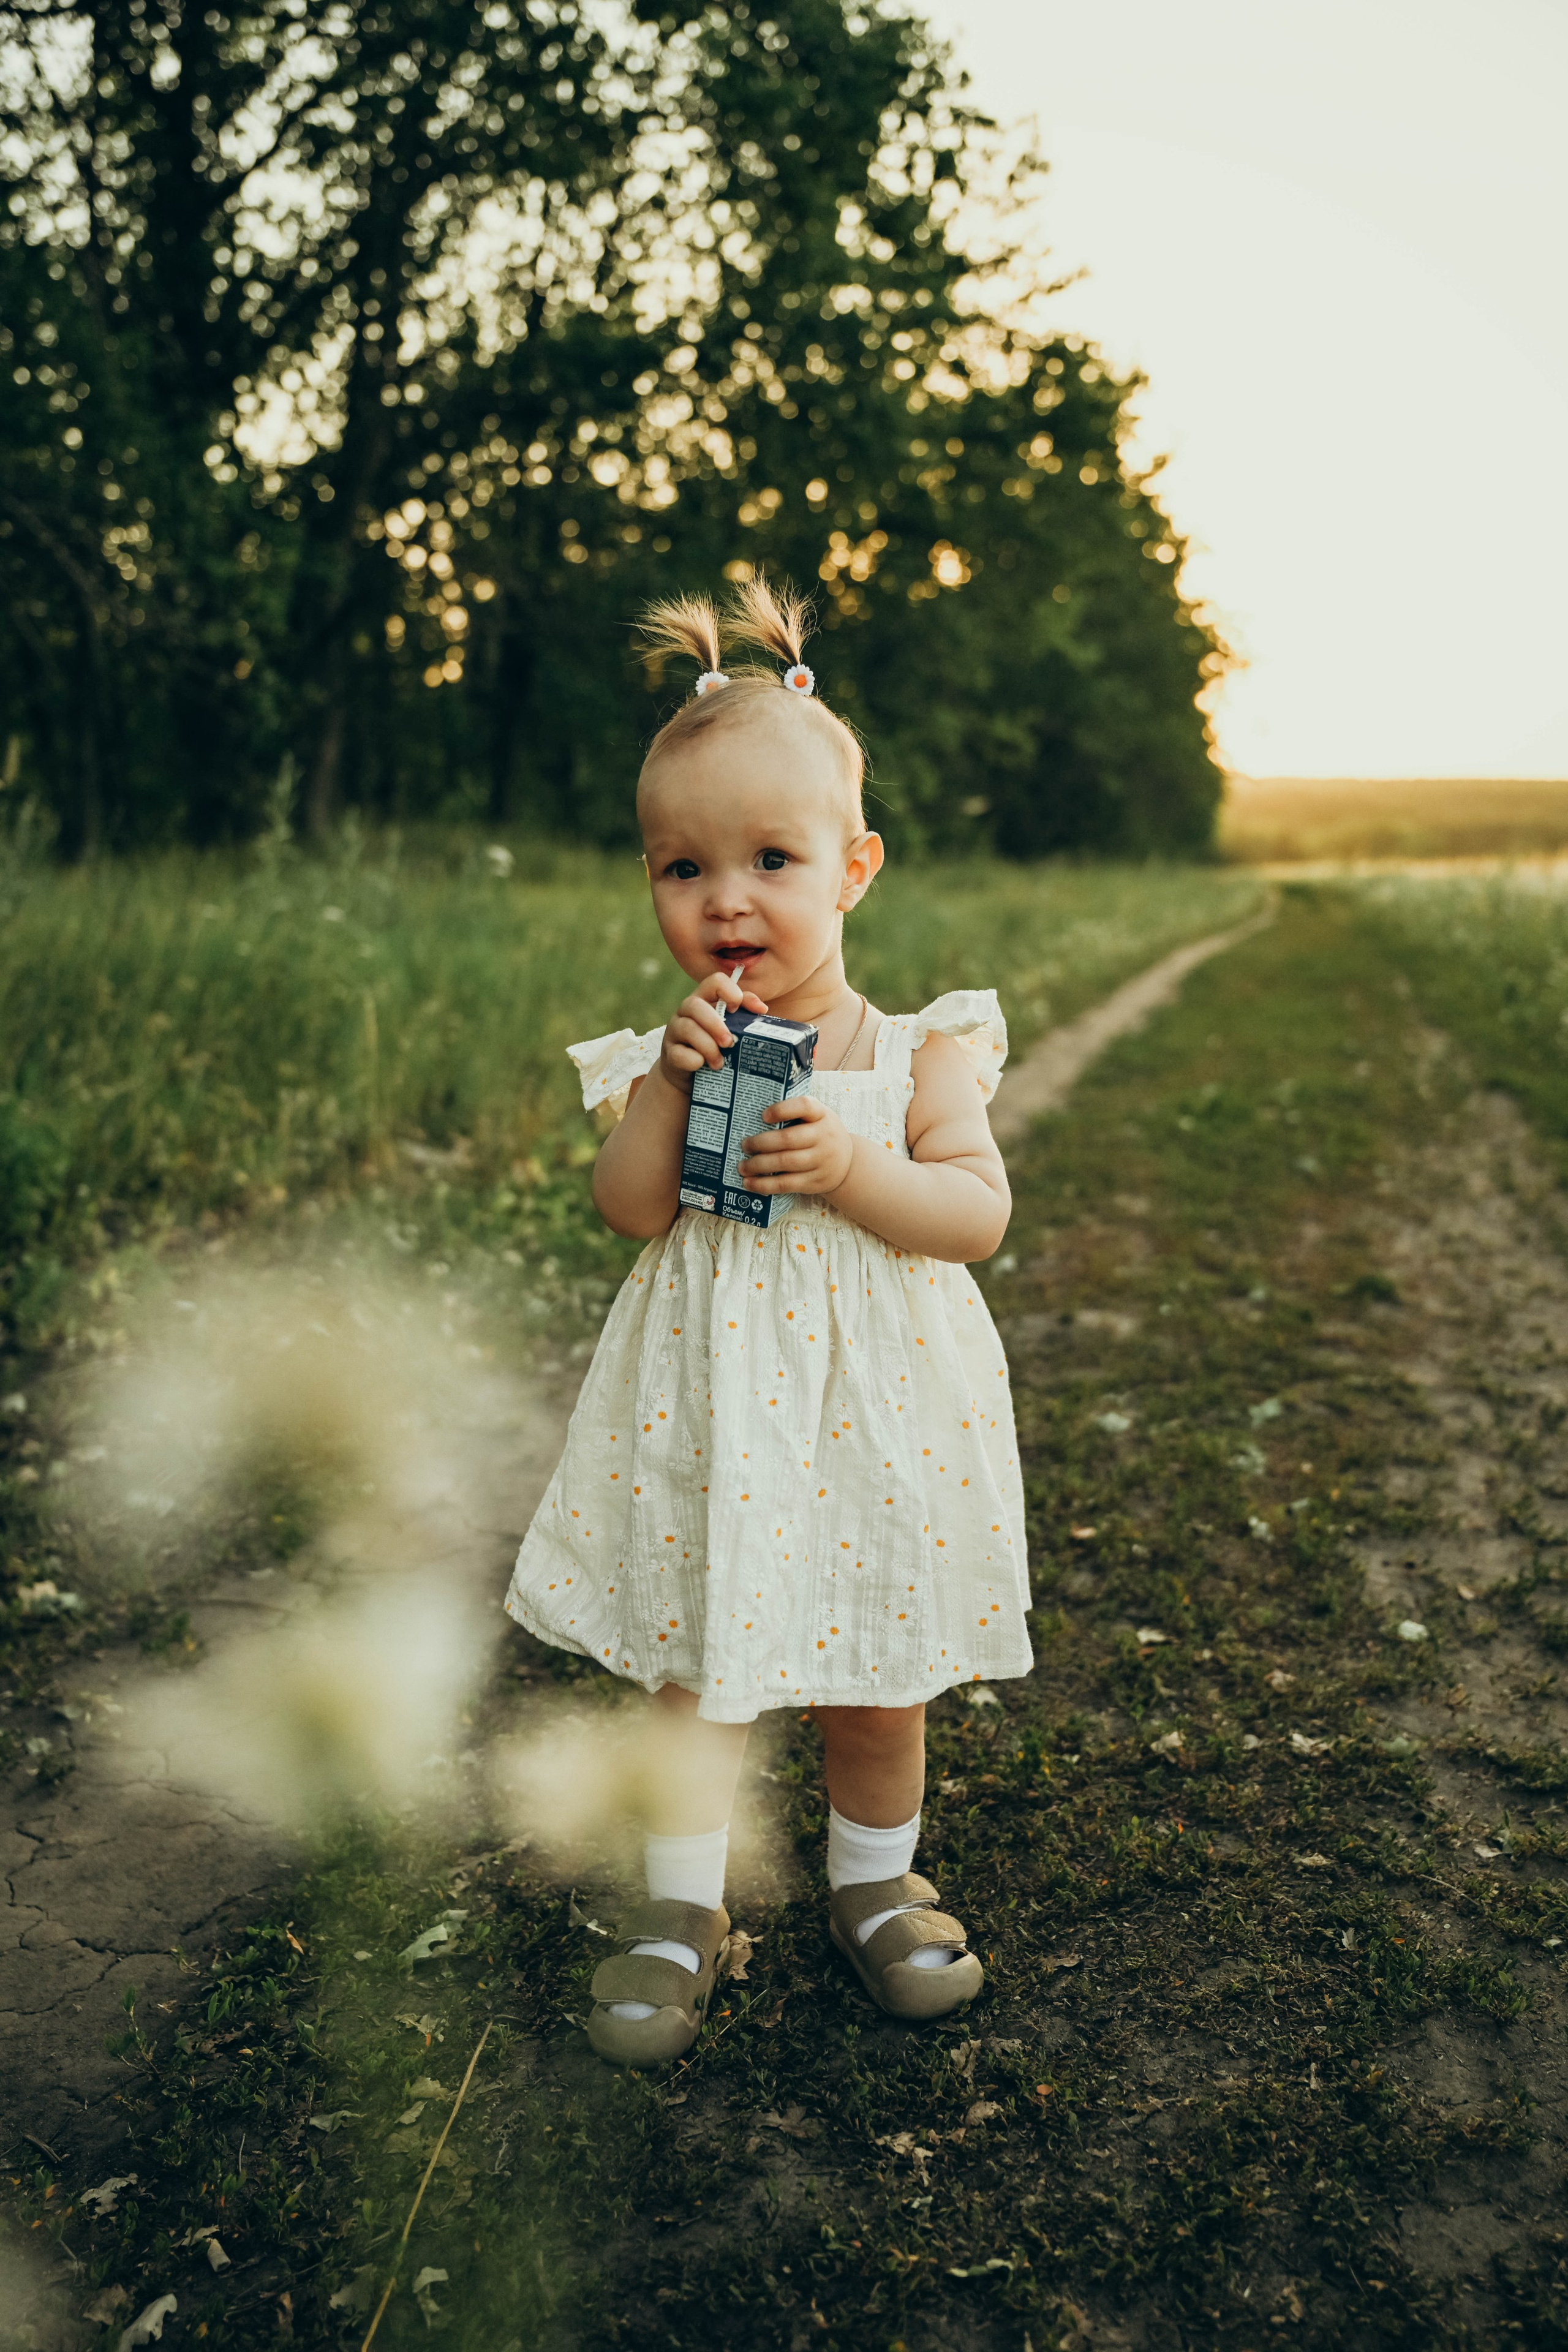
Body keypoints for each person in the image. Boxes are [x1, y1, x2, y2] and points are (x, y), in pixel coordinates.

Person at [505, 574, 1032, 2064]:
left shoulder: (921, 1052)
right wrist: (669, 1091)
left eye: (770, 859)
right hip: (718, 1412)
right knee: (698, 1673)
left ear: (854, 869)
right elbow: (628, 1209)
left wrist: (862, 1170)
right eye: (680, 868)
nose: (723, 900)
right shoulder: (669, 1054)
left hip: (874, 1412)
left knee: (874, 1674)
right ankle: (685, 1907)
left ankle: (876, 1881)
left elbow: (975, 1215)